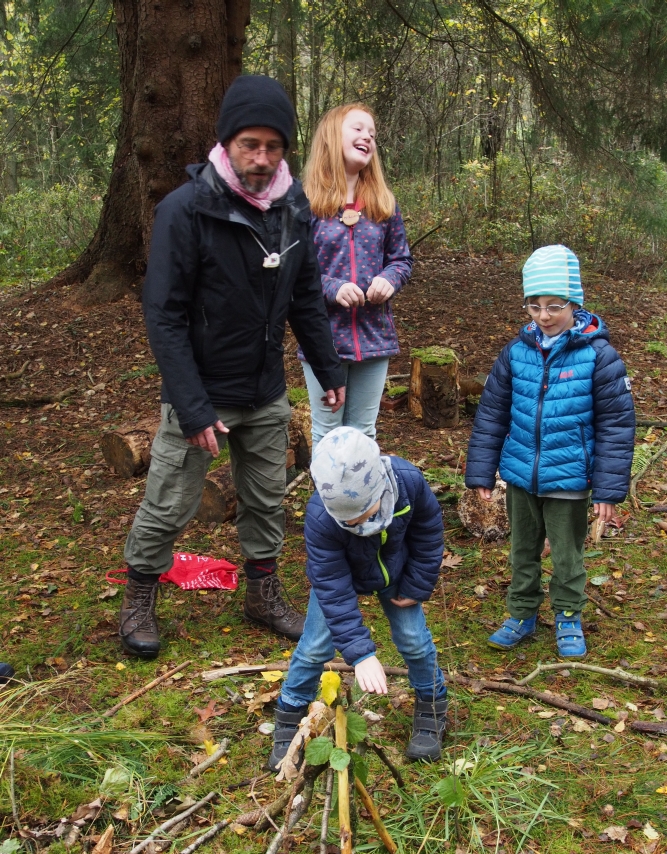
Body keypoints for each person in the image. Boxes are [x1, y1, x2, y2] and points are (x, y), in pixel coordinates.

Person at [119, 75, 346, 659]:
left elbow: (305, 296)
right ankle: (139, 598)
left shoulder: (293, 208)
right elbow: (163, 314)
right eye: (250, 144)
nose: (262, 159)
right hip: (201, 391)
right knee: (171, 502)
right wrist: (191, 405)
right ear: (226, 142)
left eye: (274, 147)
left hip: (265, 388)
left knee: (267, 497)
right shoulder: (186, 209)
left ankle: (262, 596)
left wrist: (330, 369)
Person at [465, 244, 635, 658]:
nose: (543, 315)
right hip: (521, 474)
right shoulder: (515, 353)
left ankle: (568, 615)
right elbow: (491, 415)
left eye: (554, 306)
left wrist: (609, 491)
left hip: (570, 477)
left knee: (567, 554)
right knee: (522, 550)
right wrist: (481, 473)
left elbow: (616, 425)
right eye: (534, 306)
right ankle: (521, 612)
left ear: (574, 304)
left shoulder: (599, 357)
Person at [268, 427, 448, 770]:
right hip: (344, 577)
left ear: (380, 486)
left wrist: (417, 584)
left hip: (397, 573)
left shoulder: (408, 481)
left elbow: (429, 530)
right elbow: (331, 585)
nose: (358, 524)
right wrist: (361, 653)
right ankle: (290, 712)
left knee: (414, 641)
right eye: (348, 521)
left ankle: (432, 704)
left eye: (365, 514)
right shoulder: (321, 517)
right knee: (315, 648)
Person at [299, 104, 413, 445]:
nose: (367, 137)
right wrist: (332, 287)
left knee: (363, 434)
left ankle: (362, 500)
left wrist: (388, 280)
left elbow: (401, 260)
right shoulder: (306, 205)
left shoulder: (383, 204)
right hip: (324, 340)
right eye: (358, 129)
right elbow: (295, 273)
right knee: (328, 434)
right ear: (332, 137)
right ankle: (326, 501)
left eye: (372, 134)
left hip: (374, 337)